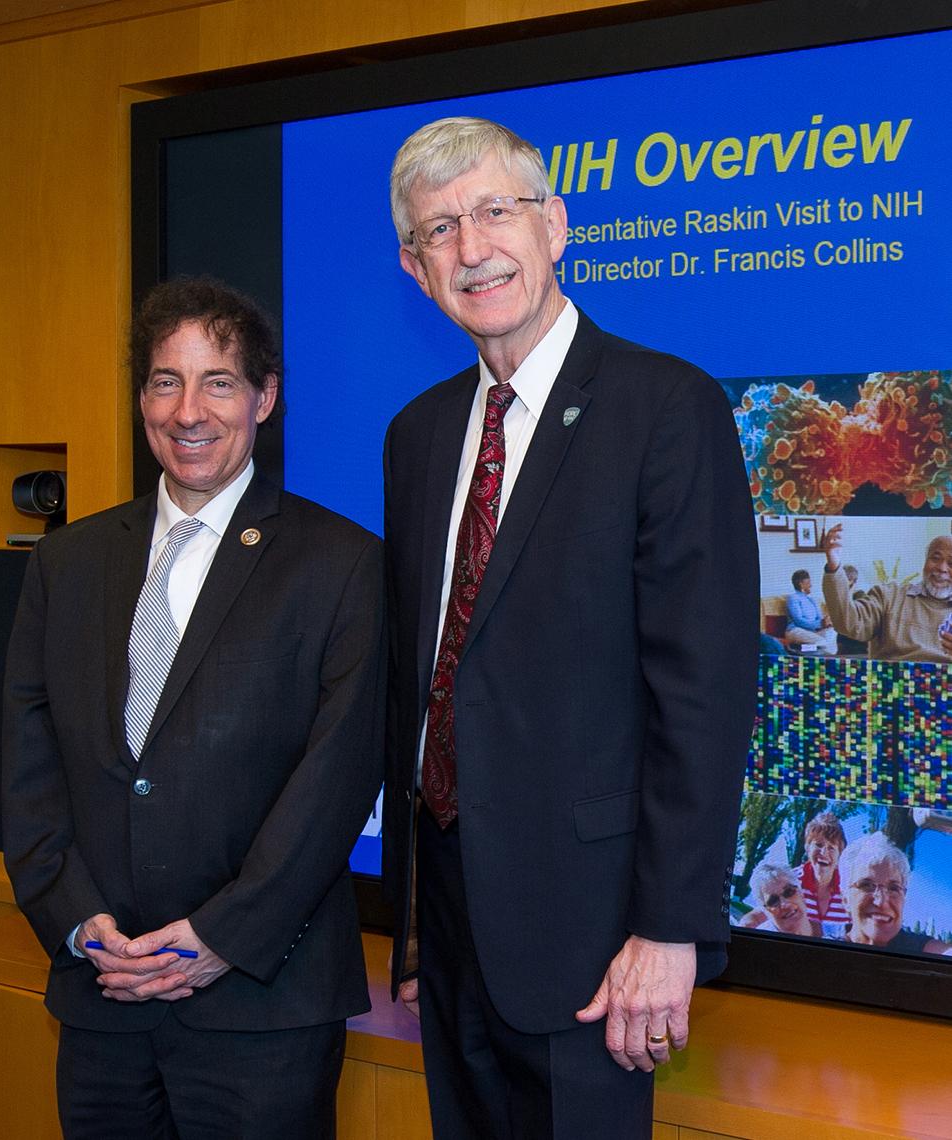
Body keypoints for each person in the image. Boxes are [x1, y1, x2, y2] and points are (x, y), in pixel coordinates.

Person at [381, 116, 759, 1140]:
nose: (472, 248)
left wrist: (668, 929)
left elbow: (704, 694)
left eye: (495, 212)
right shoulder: (417, 436)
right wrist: (412, 916)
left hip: (598, 937)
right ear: (416, 269)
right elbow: (423, 685)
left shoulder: (666, 408)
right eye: (439, 230)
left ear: (554, 226)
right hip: (450, 922)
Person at [2, 277, 385, 1139]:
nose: (188, 412)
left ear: (264, 397)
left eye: (218, 382)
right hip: (103, 994)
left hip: (262, 1005)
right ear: (141, 398)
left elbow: (336, 784)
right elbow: (29, 769)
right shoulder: (67, 564)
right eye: (165, 382)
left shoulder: (340, 565)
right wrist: (78, 924)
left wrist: (217, 939)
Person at [822, 523, 952, 661]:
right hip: (892, 673)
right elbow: (849, 623)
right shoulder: (890, 597)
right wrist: (834, 566)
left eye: (951, 563)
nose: (942, 568)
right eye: (935, 558)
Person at [833, 833, 952, 955]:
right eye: (866, 885)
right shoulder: (826, 952)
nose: (881, 902)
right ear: (845, 899)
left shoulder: (919, 949)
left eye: (893, 888)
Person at [740, 810, 847, 929]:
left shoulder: (849, 888)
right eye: (818, 845)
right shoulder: (789, 881)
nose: (823, 853)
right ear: (807, 848)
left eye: (831, 848)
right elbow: (757, 916)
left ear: (840, 854)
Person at [747, 863, 819, 936]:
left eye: (789, 892)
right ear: (765, 911)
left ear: (801, 894)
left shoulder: (825, 930)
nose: (785, 904)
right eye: (773, 901)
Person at [783, 569, 837, 653]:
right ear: (801, 584)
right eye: (808, 583)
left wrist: (826, 622)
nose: (811, 585)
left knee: (833, 632)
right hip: (796, 630)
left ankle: (801, 649)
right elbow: (799, 621)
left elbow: (820, 618)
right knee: (824, 643)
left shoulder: (811, 599)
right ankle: (823, 654)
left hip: (812, 632)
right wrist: (820, 624)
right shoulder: (793, 598)